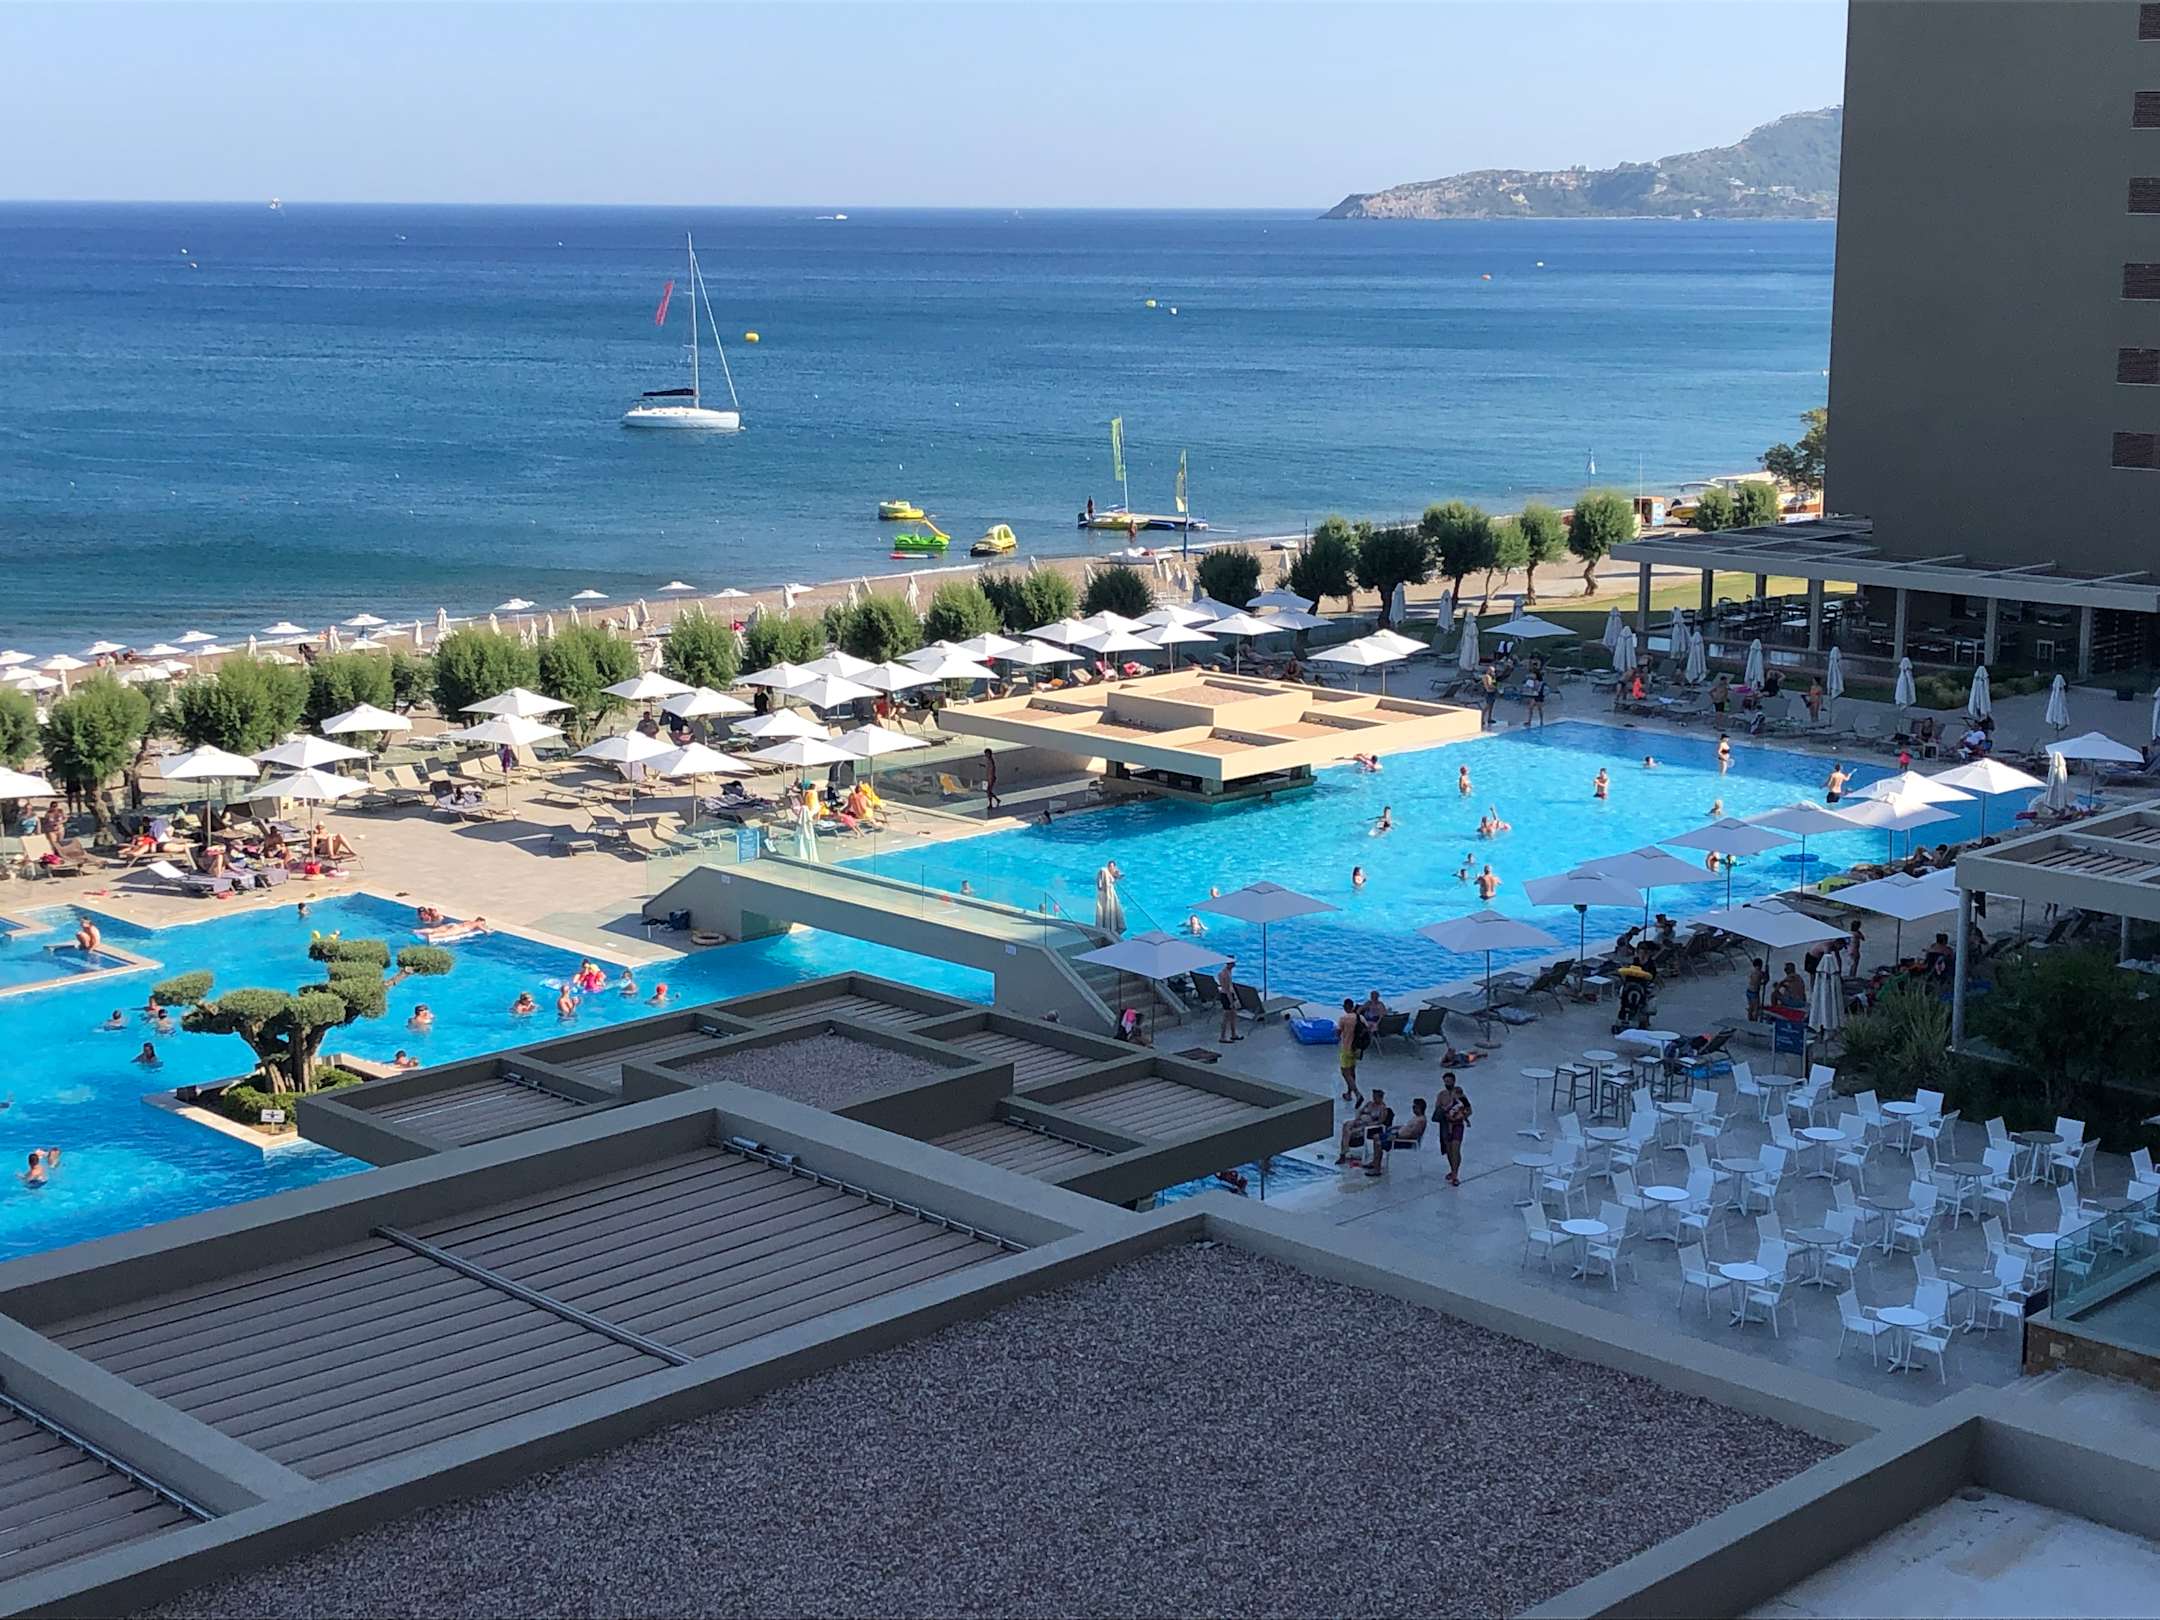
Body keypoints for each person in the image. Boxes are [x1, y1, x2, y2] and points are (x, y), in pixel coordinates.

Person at [1435, 1071, 1471, 1187]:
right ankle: (1453, 1169)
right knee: (1449, 1150)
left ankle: (1455, 1174)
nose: (1447, 1084)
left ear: (1454, 1081)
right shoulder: (1441, 1095)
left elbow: (1469, 1110)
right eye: (1446, 1082)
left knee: (1456, 1149)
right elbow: (1437, 1110)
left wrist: (1462, 1116)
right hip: (1446, 1125)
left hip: (1458, 1125)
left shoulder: (1461, 1095)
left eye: (1449, 1081)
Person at [1337, 1089, 1391, 1163]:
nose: (1374, 1098)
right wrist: (1356, 1119)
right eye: (1373, 1096)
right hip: (1360, 1121)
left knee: (1347, 1133)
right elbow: (1360, 1111)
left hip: (1368, 1126)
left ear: (1380, 1098)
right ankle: (1345, 1150)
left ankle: (1343, 1153)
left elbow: (1380, 1121)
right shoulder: (1369, 1103)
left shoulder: (1383, 1108)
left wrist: (1369, 1124)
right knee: (1346, 1124)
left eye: (1376, 1097)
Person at [1335, 998, 1366, 1105]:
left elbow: (1338, 1033)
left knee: (1345, 1072)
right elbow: (1366, 1030)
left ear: (1345, 1007)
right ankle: (1349, 1093)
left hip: (1346, 1048)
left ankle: (1357, 1094)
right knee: (1352, 1071)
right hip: (1356, 1049)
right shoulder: (1360, 1018)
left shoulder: (1343, 1019)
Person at [1216, 956, 1240, 1043]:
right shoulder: (1225, 974)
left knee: (1233, 1015)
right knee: (1226, 1016)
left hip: (1228, 995)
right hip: (1226, 996)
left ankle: (1233, 1034)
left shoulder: (1228, 972)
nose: (1235, 963)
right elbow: (1226, 989)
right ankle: (1222, 1036)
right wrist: (1231, 1001)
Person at [981, 748, 1000, 815]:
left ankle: (991, 804)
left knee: (988, 791)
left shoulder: (991, 761)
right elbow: (988, 768)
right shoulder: (989, 761)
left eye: (987, 753)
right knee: (989, 791)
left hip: (991, 778)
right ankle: (996, 800)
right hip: (989, 778)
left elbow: (992, 770)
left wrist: (991, 778)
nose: (986, 755)